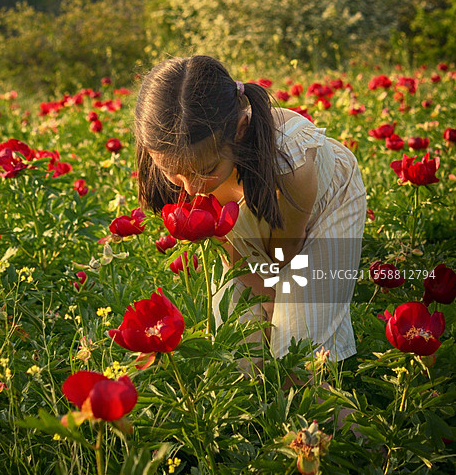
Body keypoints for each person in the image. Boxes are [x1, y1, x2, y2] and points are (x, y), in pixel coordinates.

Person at [134, 55, 366, 362]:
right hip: (246, 233)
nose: (190, 188)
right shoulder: (178, 154)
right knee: (238, 352)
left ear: (240, 129)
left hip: (316, 214)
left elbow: (285, 251)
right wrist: (262, 295)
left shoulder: (290, 160)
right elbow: (231, 252)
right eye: (174, 173)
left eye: (207, 170)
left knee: (297, 353)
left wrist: (277, 304)